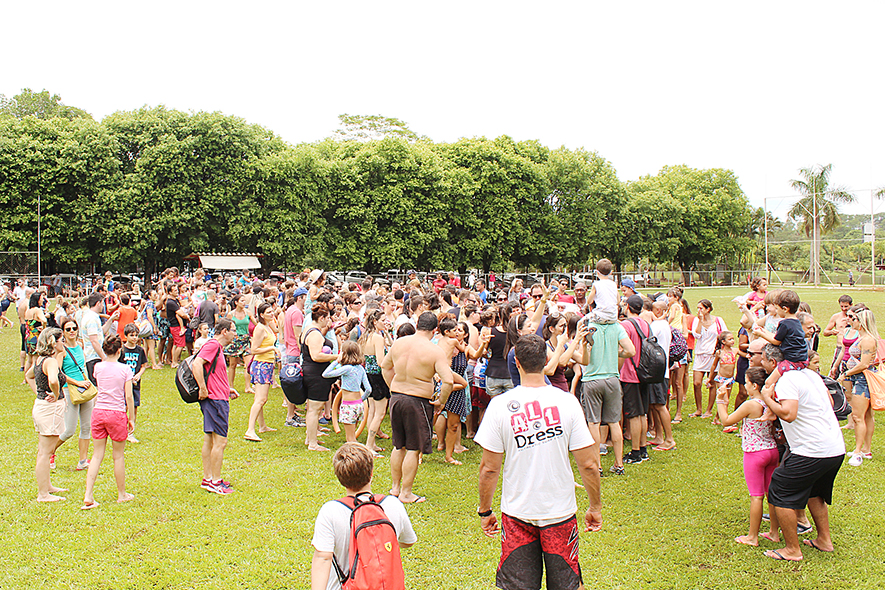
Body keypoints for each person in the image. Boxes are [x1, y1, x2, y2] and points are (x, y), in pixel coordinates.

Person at [476, 334, 602, 590]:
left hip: (517, 512)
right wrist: (595, 506)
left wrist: (485, 510)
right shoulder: (567, 402)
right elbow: (588, 463)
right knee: (567, 583)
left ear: (517, 363)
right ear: (546, 360)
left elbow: (489, 468)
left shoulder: (499, 406)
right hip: (560, 510)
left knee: (516, 585)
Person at [758, 344, 845, 561]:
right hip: (834, 447)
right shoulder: (811, 375)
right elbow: (831, 401)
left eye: (762, 358)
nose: (760, 362)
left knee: (779, 489)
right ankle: (824, 540)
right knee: (815, 492)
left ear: (774, 362)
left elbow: (789, 414)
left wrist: (767, 397)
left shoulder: (787, 380)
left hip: (811, 450)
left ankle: (792, 550)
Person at [310, 443, 417, 590]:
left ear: (340, 478)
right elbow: (408, 541)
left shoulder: (330, 511)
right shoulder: (392, 504)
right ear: (372, 472)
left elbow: (323, 558)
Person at [381, 312, 455, 504]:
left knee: (399, 446)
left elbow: (385, 366)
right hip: (417, 400)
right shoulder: (434, 350)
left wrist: (393, 387)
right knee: (413, 448)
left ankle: (395, 488)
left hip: (397, 397)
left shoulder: (399, 343)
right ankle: (406, 493)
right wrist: (441, 401)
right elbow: (447, 381)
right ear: (435, 330)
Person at [715, 366, 779, 547]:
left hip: (754, 453)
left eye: (747, 383)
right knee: (770, 494)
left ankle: (752, 536)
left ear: (755, 386)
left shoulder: (751, 404)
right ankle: (774, 532)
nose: (745, 386)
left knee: (756, 496)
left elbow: (726, 421)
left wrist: (721, 401)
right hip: (771, 450)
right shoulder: (770, 402)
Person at [82, 334, 135, 509]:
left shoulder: (97, 367)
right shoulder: (125, 370)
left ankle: (88, 495)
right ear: (120, 351)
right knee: (118, 455)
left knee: (97, 455)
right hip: (116, 413)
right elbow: (128, 395)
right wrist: (131, 417)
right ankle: (122, 494)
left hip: (98, 412)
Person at [195, 317, 239, 495]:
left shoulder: (217, 347)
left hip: (218, 396)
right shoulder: (212, 345)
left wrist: (227, 388)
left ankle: (209, 478)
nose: (236, 334)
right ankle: (214, 481)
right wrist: (203, 388)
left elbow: (213, 371)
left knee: (210, 439)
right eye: (233, 330)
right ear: (224, 331)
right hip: (215, 400)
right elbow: (198, 364)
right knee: (220, 441)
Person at [26, 328, 69, 502]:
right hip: (49, 409)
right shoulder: (50, 361)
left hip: (42, 405)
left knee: (45, 450)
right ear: (53, 342)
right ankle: (43, 494)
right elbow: (53, 380)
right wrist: (56, 393)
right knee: (45, 452)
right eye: (61, 340)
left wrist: (39, 393)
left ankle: (47, 486)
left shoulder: (40, 359)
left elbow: (29, 376)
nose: (63, 343)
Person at [839, 307, 878, 466]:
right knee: (866, 416)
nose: (849, 320)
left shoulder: (868, 339)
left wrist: (846, 374)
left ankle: (858, 451)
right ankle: (865, 450)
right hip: (858, 379)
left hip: (863, 381)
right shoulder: (861, 337)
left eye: (853, 318)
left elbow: (864, 364)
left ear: (861, 322)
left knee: (858, 416)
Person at [301, 302, 340, 451]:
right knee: (314, 409)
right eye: (328, 318)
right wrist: (337, 356)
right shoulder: (315, 334)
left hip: (313, 372)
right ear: (322, 318)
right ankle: (312, 443)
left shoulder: (308, 330)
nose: (329, 321)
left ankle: (310, 438)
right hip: (316, 374)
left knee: (313, 407)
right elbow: (316, 356)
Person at [57, 317, 94, 471]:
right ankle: (49, 452)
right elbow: (59, 373)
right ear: (63, 332)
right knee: (69, 430)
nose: (72, 331)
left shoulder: (80, 345)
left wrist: (86, 382)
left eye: (74, 328)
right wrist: (77, 383)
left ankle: (82, 460)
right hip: (70, 390)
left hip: (84, 388)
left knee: (86, 427)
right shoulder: (61, 351)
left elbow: (83, 367)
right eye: (68, 329)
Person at [243, 302, 278, 442]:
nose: (272, 313)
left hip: (267, 364)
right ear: (261, 314)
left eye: (272, 311)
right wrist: (272, 349)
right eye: (268, 312)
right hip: (261, 364)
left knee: (261, 398)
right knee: (260, 399)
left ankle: (262, 426)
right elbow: (254, 349)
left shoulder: (268, 326)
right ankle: (250, 430)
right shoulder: (260, 329)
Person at [359, 309, 392, 455]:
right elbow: (380, 362)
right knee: (379, 413)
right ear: (375, 321)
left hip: (368, 375)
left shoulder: (367, 336)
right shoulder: (377, 338)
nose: (385, 322)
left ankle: (371, 443)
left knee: (372, 410)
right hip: (378, 377)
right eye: (383, 320)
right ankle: (369, 445)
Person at [325, 341, 371, 444]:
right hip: (359, 405)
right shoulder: (360, 369)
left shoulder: (346, 369)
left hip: (348, 406)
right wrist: (361, 400)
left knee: (350, 439)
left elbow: (326, 374)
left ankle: (359, 455)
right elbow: (368, 389)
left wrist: (336, 361)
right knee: (352, 435)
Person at [690, 299, 727, 418]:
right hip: (700, 354)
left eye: (701, 308)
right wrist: (700, 321)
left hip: (713, 355)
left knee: (712, 382)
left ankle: (708, 410)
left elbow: (724, 334)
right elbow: (697, 335)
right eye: (698, 308)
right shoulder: (697, 320)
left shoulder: (718, 320)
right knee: (696, 383)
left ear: (708, 309)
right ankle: (698, 409)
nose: (699, 311)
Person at [119, 323, 148, 443]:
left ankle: (131, 432)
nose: (135, 338)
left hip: (135, 384)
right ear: (126, 336)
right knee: (123, 407)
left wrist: (138, 375)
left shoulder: (140, 350)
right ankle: (121, 430)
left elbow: (143, 365)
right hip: (123, 384)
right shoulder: (121, 350)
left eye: (136, 335)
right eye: (132, 335)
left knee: (134, 407)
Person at [585, 258, 619, 324]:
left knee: (581, 322)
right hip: (613, 317)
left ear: (597, 272)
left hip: (600, 316)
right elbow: (618, 301)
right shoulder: (613, 284)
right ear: (611, 272)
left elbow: (589, 301)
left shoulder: (596, 285)